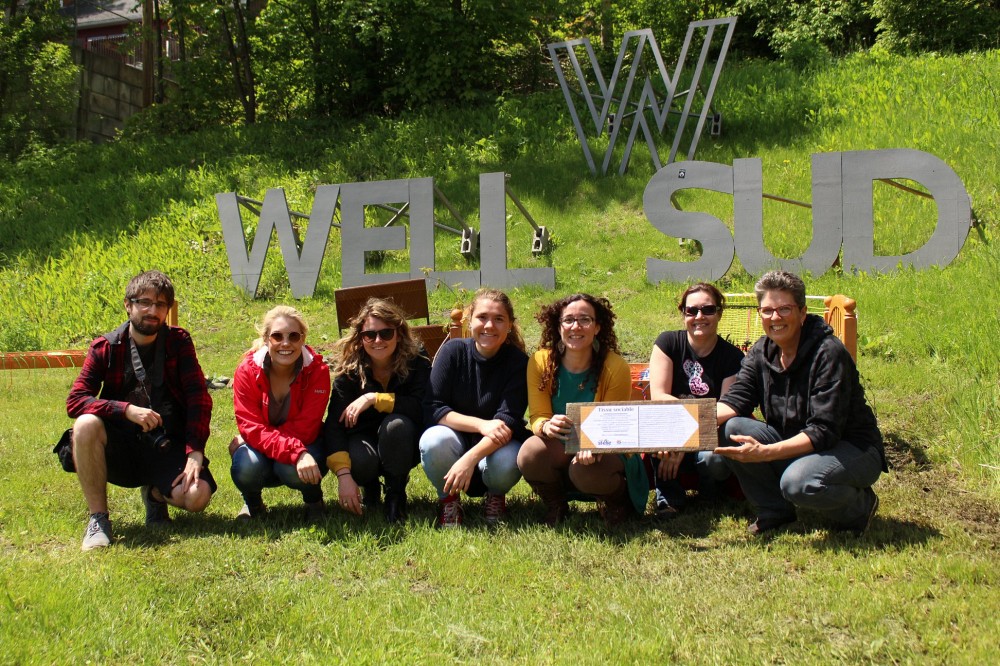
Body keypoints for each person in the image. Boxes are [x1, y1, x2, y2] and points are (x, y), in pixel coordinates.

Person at [714, 270, 886, 536]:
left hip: (852, 447)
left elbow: (824, 431)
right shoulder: (761, 351)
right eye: (767, 310)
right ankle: (775, 511)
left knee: (798, 484)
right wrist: (682, 427)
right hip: (798, 442)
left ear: (803, 312)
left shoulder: (828, 353)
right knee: (732, 427)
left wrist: (767, 453)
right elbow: (735, 401)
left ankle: (860, 508)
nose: (775, 318)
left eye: (784, 309)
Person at [63, 270, 216, 551]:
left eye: (160, 305)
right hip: (119, 448)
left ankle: (156, 495)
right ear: (128, 305)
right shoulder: (106, 347)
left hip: (164, 444)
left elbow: (199, 398)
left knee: (197, 496)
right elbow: (76, 400)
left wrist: (195, 451)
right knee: (85, 424)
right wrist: (125, 410)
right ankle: (99, 520)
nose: (152, 311)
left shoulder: (178, 342)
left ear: (168, 310)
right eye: (144, 302)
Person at [517, 294, 641, 527]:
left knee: (583, 471)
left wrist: (593, 444)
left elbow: (614, 426)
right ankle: (556, 504)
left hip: (608, 445)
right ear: (559, 326)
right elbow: (537, 415)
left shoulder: (615, 366)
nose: (576, 326)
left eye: (585, 319)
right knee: (530, 453)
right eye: (568, 320)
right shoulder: (540, 361)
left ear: (597, 327)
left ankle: (617, 501)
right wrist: (546, 426)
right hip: (562, 441)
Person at [420, 288, 529, 527]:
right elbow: (434, 408)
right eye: (482, 317)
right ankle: (448, 500)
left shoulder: (519, 363)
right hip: (455, 439)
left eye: (498, 319)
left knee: (509, 458)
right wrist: (481, 425)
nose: (489, 325)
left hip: (497, 445)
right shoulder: (452, 352)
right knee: (433, 440)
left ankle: (495, 495)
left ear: (509, 325)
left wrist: (469, 459)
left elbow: (507, 423)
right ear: (470, 321)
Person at [324, 298, 431, 523]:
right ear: (360, 338)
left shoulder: (417, 359)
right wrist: (343, 475)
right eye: (369, 335)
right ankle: (369, 486)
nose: (378, 340)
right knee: (360, 460)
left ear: (399, 334)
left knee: (396, 426)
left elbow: (423, 406)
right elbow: (334, 424)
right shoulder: (350, 367)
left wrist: (374, 398)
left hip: (404, 440)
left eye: (386, 333)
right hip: (363, 438)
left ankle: (396, 494)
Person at [649, 283, 744, 515]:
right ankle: (668, 498)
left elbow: (725, 408)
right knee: (659, 441)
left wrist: (686, 439)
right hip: (672, 426)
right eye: (692, 311)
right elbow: (659, 397)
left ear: (719, 313)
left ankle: (711, 494)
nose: (699, 316)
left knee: (713, 458)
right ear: (683, 314)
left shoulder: (733, 357)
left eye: (708, 310)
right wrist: (679, 437)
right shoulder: (667, 343)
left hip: (710, 430)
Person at [230, 306, 331, 520]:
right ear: (266, 339)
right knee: (247, 466)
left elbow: (307, 427)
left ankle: (314, 501)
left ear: (302, 339)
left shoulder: (318, 371)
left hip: (305, 440)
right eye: (277, 336)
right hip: (269, 443)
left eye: (293, 336)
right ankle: (253, 504)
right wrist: (294, 451)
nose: (285, 343)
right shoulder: (246, 371)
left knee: (289, 468)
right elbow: (251, 427)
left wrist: (296, 452)